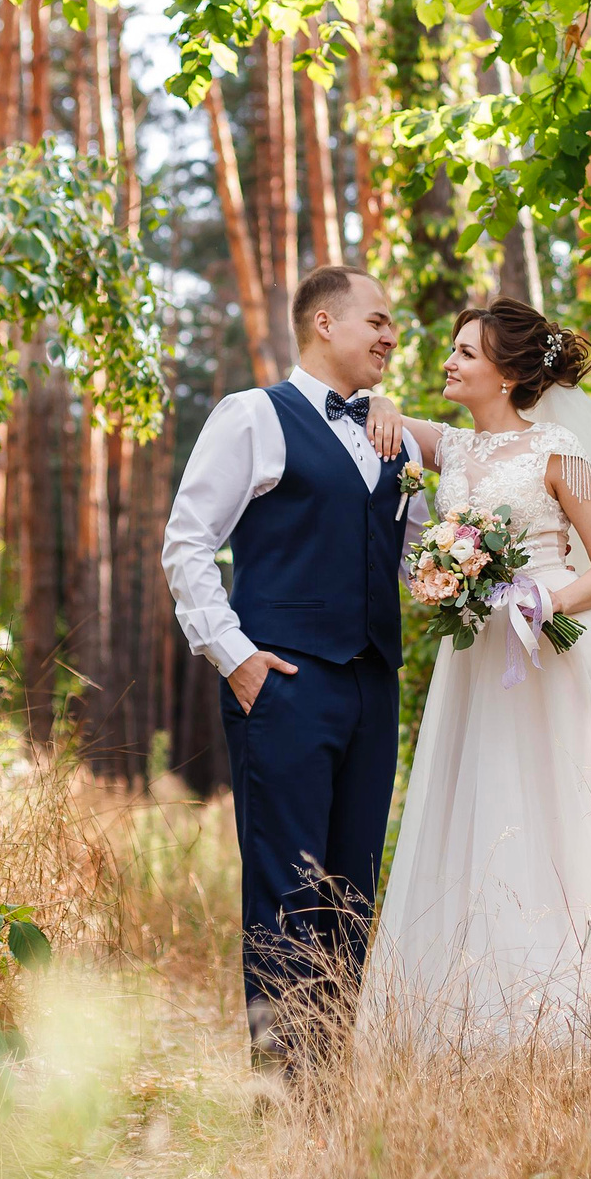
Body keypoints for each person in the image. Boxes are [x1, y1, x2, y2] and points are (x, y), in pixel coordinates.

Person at [358, 298, 591, 1048]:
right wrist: (383, 397)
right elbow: (384, 420)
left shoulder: (558, 449)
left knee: (572, 816)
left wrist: (546, 599)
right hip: (476, 657)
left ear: (504, 373)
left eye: (467, 352)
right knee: (485, 810)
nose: (451, 361)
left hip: (554, 646)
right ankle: (479, 1017)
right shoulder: (457, 450)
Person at [161, 265, 427, 1068]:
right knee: (288, 887)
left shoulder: (399, 435)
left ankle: (331, 1079)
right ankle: (283, 1086)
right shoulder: (251, 415)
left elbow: (420, 563)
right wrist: (235, 658)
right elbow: (187, 542)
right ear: (322, 321)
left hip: (372, 684)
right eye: (376, 319)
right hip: (282, 684)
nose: (390, 335)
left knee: (353, 887)